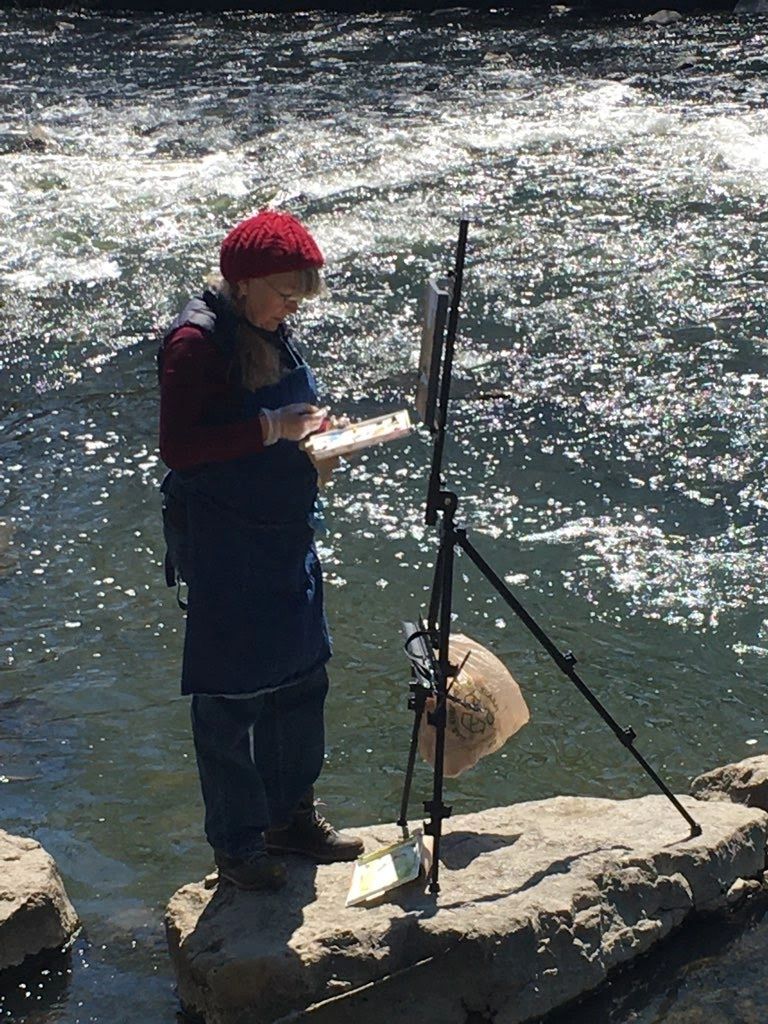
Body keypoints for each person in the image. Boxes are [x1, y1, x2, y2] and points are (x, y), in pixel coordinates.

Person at [158, 208, 364, 891]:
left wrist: (313, 438)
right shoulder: (196, 344)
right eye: (283, 294)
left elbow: (279, 419)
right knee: (229, 700)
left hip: (284, 536)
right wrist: (270, 428)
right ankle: (240, 846)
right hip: (226, 543)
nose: (291, 308)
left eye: (301, 297)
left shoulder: (269, 325)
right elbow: (182, 449)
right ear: (242, 284)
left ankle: (290, 819)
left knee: (303, 678)